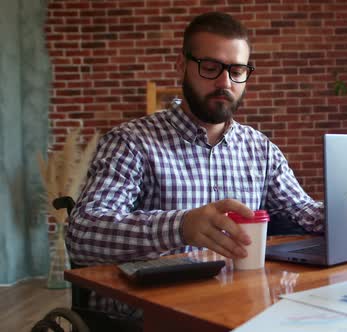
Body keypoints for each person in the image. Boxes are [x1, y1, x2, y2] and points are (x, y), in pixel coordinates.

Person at [66, 11, 324, 323]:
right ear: (182, 66)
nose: (224, 82)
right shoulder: (132, 142)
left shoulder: (260, 149)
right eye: (211, 67)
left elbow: (305, 212)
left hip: (241, 304)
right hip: (151, 314)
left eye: (237, 70)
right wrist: (181, 227)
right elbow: (82, 233)